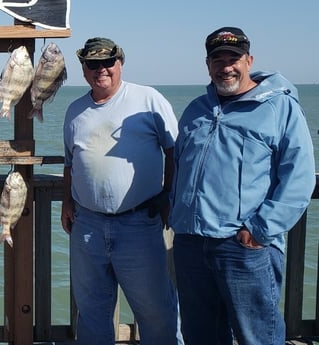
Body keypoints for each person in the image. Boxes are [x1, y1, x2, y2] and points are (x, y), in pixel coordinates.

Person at [169, 27, 315, 344]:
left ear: (249, 60)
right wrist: (175, 215)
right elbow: (179, 166)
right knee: (200, 335)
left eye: (233, 58)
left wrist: (260, 230)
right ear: (207, 64)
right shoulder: (196, 110)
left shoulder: (280, 108)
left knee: (257, 336)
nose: (226, 66)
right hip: (191, 244)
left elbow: (299, 177)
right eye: (217, 59)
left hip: (243, 247)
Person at [60, 37, 181, 344]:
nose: (101, 69)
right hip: (87, 225)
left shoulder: (148, 99)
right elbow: (70, 163)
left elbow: (175, 152)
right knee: (91, 311)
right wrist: (66, 202)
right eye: (93, 64)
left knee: (155, 310)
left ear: (120, 64)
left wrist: (169, 194)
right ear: (84, 70)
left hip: (139, 224)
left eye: (107, 63)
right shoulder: (75, 110)